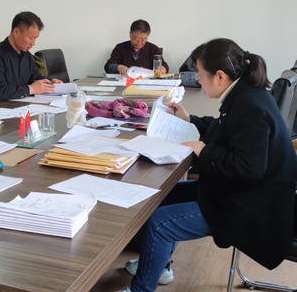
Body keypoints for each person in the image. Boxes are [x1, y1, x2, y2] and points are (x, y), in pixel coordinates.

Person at [116, 38, 297, 292]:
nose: (199, 81)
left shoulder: (250, 106)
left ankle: (142, 288)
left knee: (160, 222)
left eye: (200, 75)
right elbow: (226, 129)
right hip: (239, 191)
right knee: (162, 196)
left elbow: (249, 167)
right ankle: (157, 264)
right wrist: (190, 119)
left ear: (219, 76)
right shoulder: (246, 94)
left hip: (252, 206)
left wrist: (205, 150)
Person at [0, 11, 62, 105]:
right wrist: (30, 89)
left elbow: (36, 78)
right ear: (16, 32)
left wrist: (50, 83)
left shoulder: (26, 55)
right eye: (31, 38)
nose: (33, 43)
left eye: (36, 38)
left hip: (21, 107)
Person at [104, 19, 169, 75]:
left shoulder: (153, 49)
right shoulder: (120, 48)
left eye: (143, 39)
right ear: (130, 34)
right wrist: (118, 67)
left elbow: (165, 66)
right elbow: (108, 66)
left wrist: (163, 69)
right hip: (125, 83)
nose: (139, 42)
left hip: (145, 83)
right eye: (136, 38)